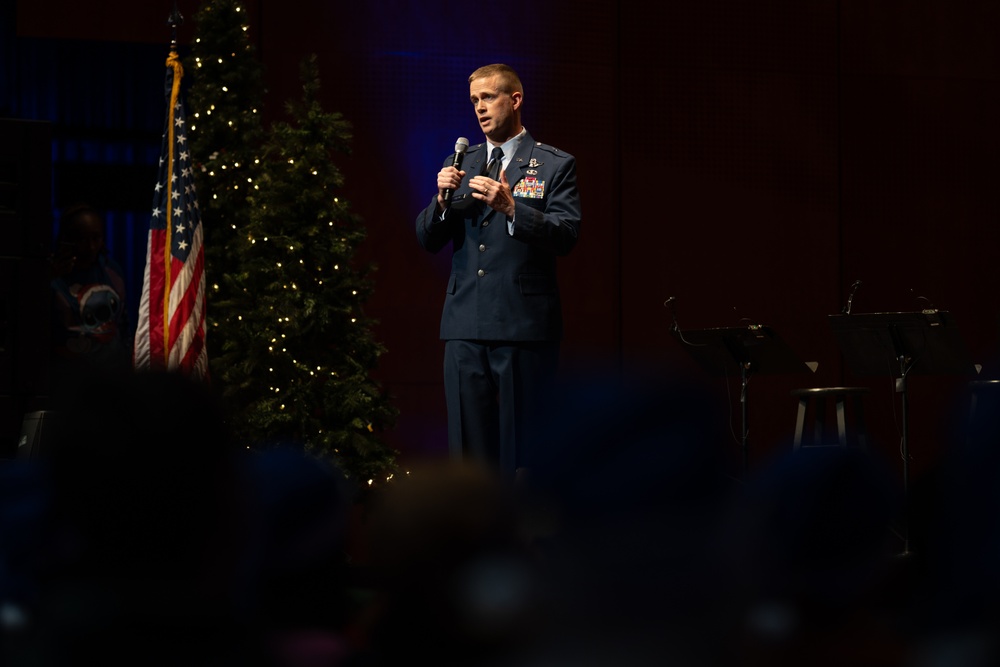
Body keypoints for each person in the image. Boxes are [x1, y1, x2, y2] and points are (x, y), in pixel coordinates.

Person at [415, 63, 582, 480]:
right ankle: (473, 540)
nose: (480, 109)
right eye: (474, 101)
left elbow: (566, 234)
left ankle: (524, 541)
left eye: (488, 98)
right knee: (469, 460)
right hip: (464, 324)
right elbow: (428, 239)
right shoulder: (462, 161)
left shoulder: (552, 164)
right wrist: (439, 201)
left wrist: (513, 208)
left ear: (515, 100)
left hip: (522, 327)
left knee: (522, 454)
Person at [48, 203, 132, 388]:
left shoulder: (112, 270)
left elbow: (123, 324)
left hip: (112, 377)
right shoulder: (53, 278)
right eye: (82, 239)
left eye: (96, 238)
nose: (91, 247)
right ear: (67, 239)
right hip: (70, 380)